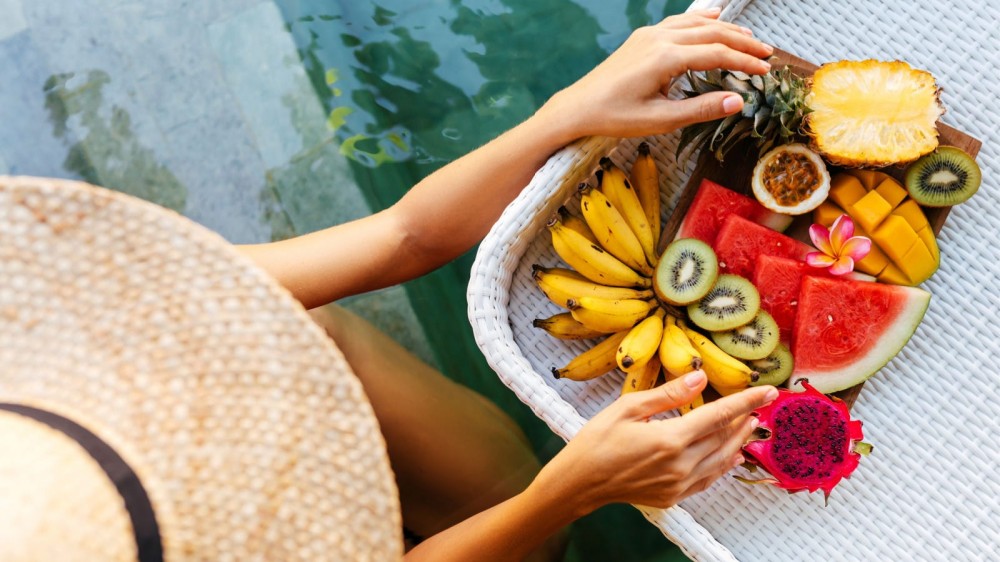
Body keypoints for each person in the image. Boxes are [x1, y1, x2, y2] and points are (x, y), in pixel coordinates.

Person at [238, 8, 780, 561]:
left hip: (285, 391)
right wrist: (571, 492)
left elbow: (403, 236)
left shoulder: (157, 291)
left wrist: (565, 114)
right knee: (542, 537)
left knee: (516, 484)